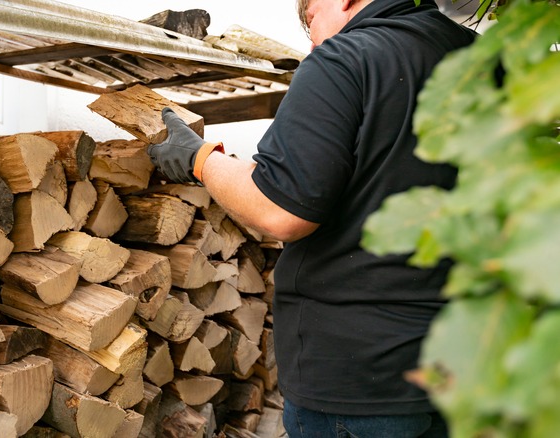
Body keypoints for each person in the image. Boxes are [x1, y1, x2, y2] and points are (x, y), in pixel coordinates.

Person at [146, 0, 477, 436]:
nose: (314, 41)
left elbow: (282, 210)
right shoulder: (485, 61)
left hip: (361, 384)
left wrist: (199, 157)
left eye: (310, 21)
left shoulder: (346, 57)